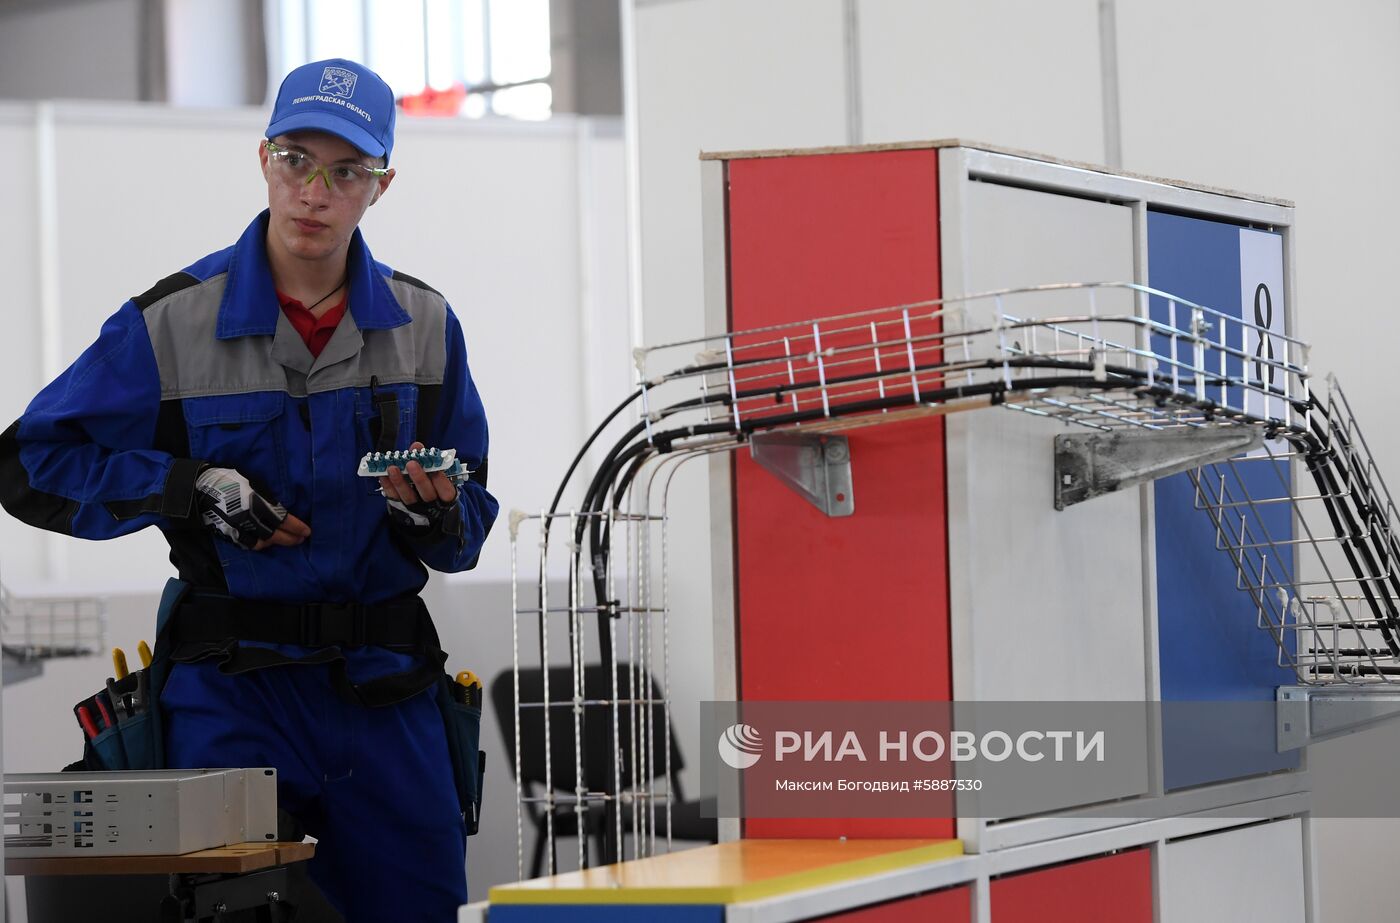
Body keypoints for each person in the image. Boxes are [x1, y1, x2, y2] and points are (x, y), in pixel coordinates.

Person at [0, 58, 498, 921]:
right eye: (297, 160)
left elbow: (471, 518)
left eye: (347, 171)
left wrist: (438, 512)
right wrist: (188, 486)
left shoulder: (426, 329)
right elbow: (29, 463)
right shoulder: (169, 323)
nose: (316, 191)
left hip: (385, 693)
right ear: (263, 157)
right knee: (220, 909)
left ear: (382, 185)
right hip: (231, 695)